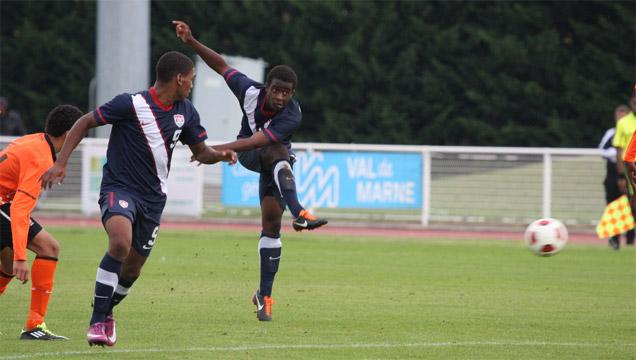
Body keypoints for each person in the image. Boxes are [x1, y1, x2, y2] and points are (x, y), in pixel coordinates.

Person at [40, 51, 237, 347]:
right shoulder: (130, 103)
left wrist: (220, 156)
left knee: (132, 269)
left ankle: (105, 313)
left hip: (153, 200)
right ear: (179, 78)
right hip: (118, 188)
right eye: (191, 80)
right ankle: (97, 322)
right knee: (120, 243)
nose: (192, 86)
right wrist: (61, 162)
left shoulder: (187, 112)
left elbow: (201, 152)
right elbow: (83, 122)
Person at [174, 20, 328, 322]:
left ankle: (264, 295)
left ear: (293, 92)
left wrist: (215, 150)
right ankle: (300, 212)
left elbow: (261, 138)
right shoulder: (249, 90)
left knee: (271, 225)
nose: (281, 97)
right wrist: (191, 40)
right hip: (251, 156)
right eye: (277, 90)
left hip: (272, 161)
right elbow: (221, 65)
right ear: (266, 87)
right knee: (277, 150)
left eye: (287, 92)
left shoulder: (293, 113)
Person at [0, 104, 84, 340]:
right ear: (69, 134)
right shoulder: (40, 157)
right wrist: (20, 258)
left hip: (3, 202)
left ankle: (34, 325)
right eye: (79, 133)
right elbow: (19, 211)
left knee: (5, 268)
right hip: (3, 204)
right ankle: (35, 325)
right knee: (49, 247)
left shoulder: (36, 141)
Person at [599, 104, 633, 249]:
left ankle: (631, 239)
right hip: (613, 173)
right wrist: (616, 154)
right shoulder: (611, 133)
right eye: (618, 115)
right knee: (613, 206)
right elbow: (602, 150)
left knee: (631, 206)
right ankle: (615, 239)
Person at [614, 91, 636, 249]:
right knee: (632, 202)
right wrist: (621, 175)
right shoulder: (623, 123)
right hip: (631, 168)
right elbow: (618, 149)